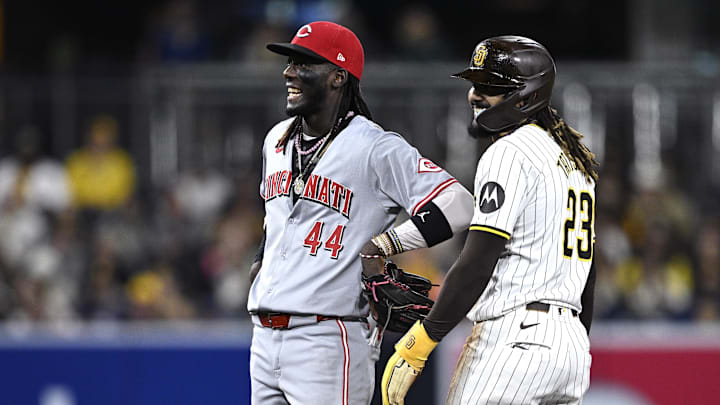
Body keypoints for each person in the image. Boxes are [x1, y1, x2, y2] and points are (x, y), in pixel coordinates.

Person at [247, 21, 474, 405]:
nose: (288, 72)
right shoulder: (277, 139)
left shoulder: (373, 146)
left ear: (338, 77)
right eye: (290, 62)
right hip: (264, 336)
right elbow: (276, 217)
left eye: (303, 63)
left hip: (327, 338)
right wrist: (262, 258)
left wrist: (387, 243)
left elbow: (458, 204)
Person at [381, 36, 599, 405]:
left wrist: (423, 339)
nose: (475, 96)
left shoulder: (510, 151)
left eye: (491, 88)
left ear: (527, 96)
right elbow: (590, 272)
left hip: (515, 339)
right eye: (475, 85)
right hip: (571, 345)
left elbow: (478, 260)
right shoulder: (576, 163)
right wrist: (569, 342)